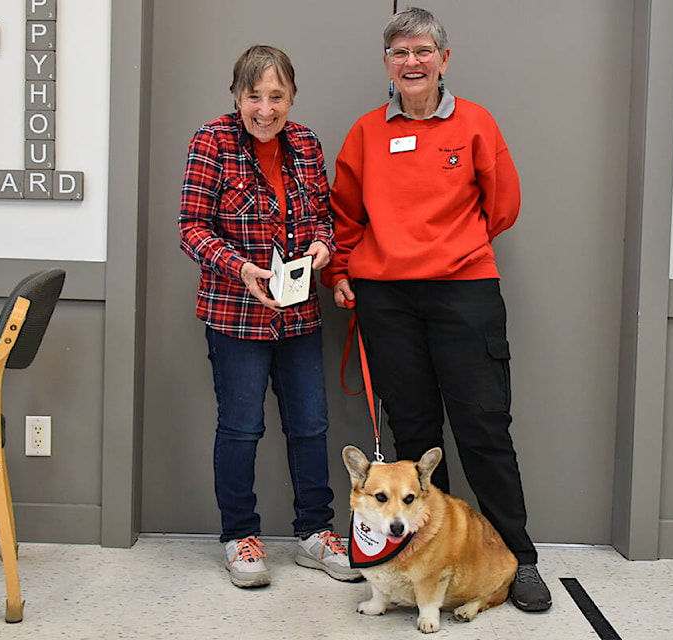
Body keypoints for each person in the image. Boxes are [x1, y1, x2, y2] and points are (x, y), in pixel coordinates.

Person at [322, 8, 552, 611]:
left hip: (464, 291)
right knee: (416, 435)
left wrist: (453, 251)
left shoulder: (475, 124)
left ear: (444, 59)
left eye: (423, 50)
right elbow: (345, 214)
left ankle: (518, 559)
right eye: (400, 53)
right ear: (387, 64)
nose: (412, 62)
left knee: (483, 431)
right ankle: (430, 560)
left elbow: (502, 206)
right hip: (387, 299)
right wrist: (343, 270)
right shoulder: (366, 132)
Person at [179, 45, 359, 588]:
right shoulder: (211, 141)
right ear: (236, 97)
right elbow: (191, 227)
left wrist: (324, 248)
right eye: (253, 95)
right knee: (241, 428)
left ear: (292, 97)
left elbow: (323, 218)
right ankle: (240, 537)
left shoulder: (305, 143)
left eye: (276, 96)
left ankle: (316, 533)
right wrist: (240, 269)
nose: (265, 108)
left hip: (300, 315)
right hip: (236, 314)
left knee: (311, 427)